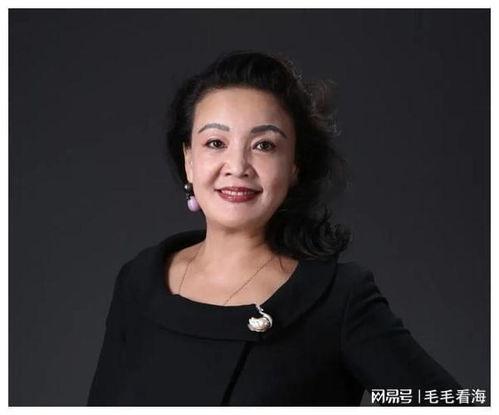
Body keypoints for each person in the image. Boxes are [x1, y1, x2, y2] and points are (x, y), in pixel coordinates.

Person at [87, 50, 465, 406]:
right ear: (189, 160)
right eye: (215, 142)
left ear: (294, 166)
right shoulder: (140, 280)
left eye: (264, 145)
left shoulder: (337, 299)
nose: (237, 166)